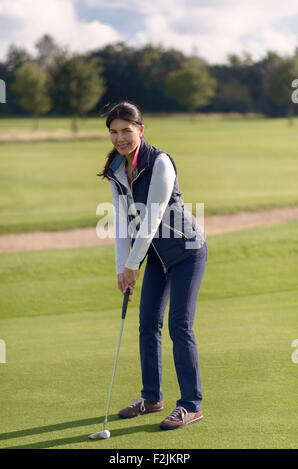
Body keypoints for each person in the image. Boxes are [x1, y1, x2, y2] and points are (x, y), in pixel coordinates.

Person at [98, 101, 208, 430]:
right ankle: (152, 396)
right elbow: (121, 223)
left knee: (179, 326)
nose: (120, 138)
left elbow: (151, 220)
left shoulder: (160, 163)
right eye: (114, 132)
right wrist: (123, 268)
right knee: (147, 325)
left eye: (126, 131)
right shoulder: (116, 169)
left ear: (141, 130)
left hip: (187, 251)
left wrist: (134, 265)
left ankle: (191, 404)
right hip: (158, 257)